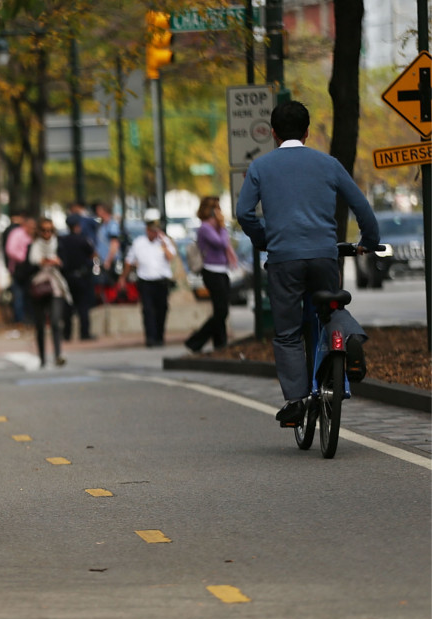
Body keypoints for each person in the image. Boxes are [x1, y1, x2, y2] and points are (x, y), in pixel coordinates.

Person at [236, 100, 379, 427]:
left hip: (284, 261)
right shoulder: (328, 164)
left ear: (272, 134)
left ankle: (297, 400)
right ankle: (347, 345)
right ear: (307, 131)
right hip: (324, 256)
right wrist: (367, 242)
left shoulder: (261, 167)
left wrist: (263, 239)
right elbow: (362, 208)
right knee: (331, 311)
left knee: (287, 333)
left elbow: (244, 213)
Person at [185, 197, 238, 354]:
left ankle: (220, 343)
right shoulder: (205, 228)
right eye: (217, 208)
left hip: (222, 270)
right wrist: (222, 227)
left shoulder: (216, 228)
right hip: (211, 271)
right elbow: (221, 243)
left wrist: (221, 227)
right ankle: (195, 341)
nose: (220, 212)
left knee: (220, 310)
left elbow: (226, 243)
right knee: (222, 311)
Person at [120, 219, 176, 347]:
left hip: (161, 281)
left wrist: (164, 243)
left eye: (156, 231)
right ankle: (150, 337)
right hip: (145, 281)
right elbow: (129, 261)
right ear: (147, 230)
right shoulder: (139, 243)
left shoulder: (164, 242)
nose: (154, 234)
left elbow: (170, 257)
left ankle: (160, 337)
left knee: (162, 309)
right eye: (152, 231)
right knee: (148, 310)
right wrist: (123, 277)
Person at [27, 219, 71, 368]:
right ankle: (42, 358)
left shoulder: (59, 245)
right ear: (39, 232)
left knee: (55, 321)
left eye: (50, 230)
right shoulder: (32, 248)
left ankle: (58, 354)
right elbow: (25, 270)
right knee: (39, 325)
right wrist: (41, 263)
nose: (47, 233)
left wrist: (58, 263)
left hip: (56, 286)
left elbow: (68, 266)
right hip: (38, 288)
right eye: (44, 230)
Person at [58, 214, 96, 341]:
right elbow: (92, 254)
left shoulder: (62, 240)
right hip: (81, 277)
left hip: (67, 277)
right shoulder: (83, 239)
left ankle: (67, 334)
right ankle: (84, 333)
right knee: (83, 307)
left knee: (67, 307)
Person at [4, 216, 36, 326]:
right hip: (18, 269)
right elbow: (10, 250)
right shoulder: (16, 234)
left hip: (30, 271)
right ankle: (19, 319)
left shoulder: (32, 236)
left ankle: (29, 317)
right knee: (18, 295)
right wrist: (24, 258)